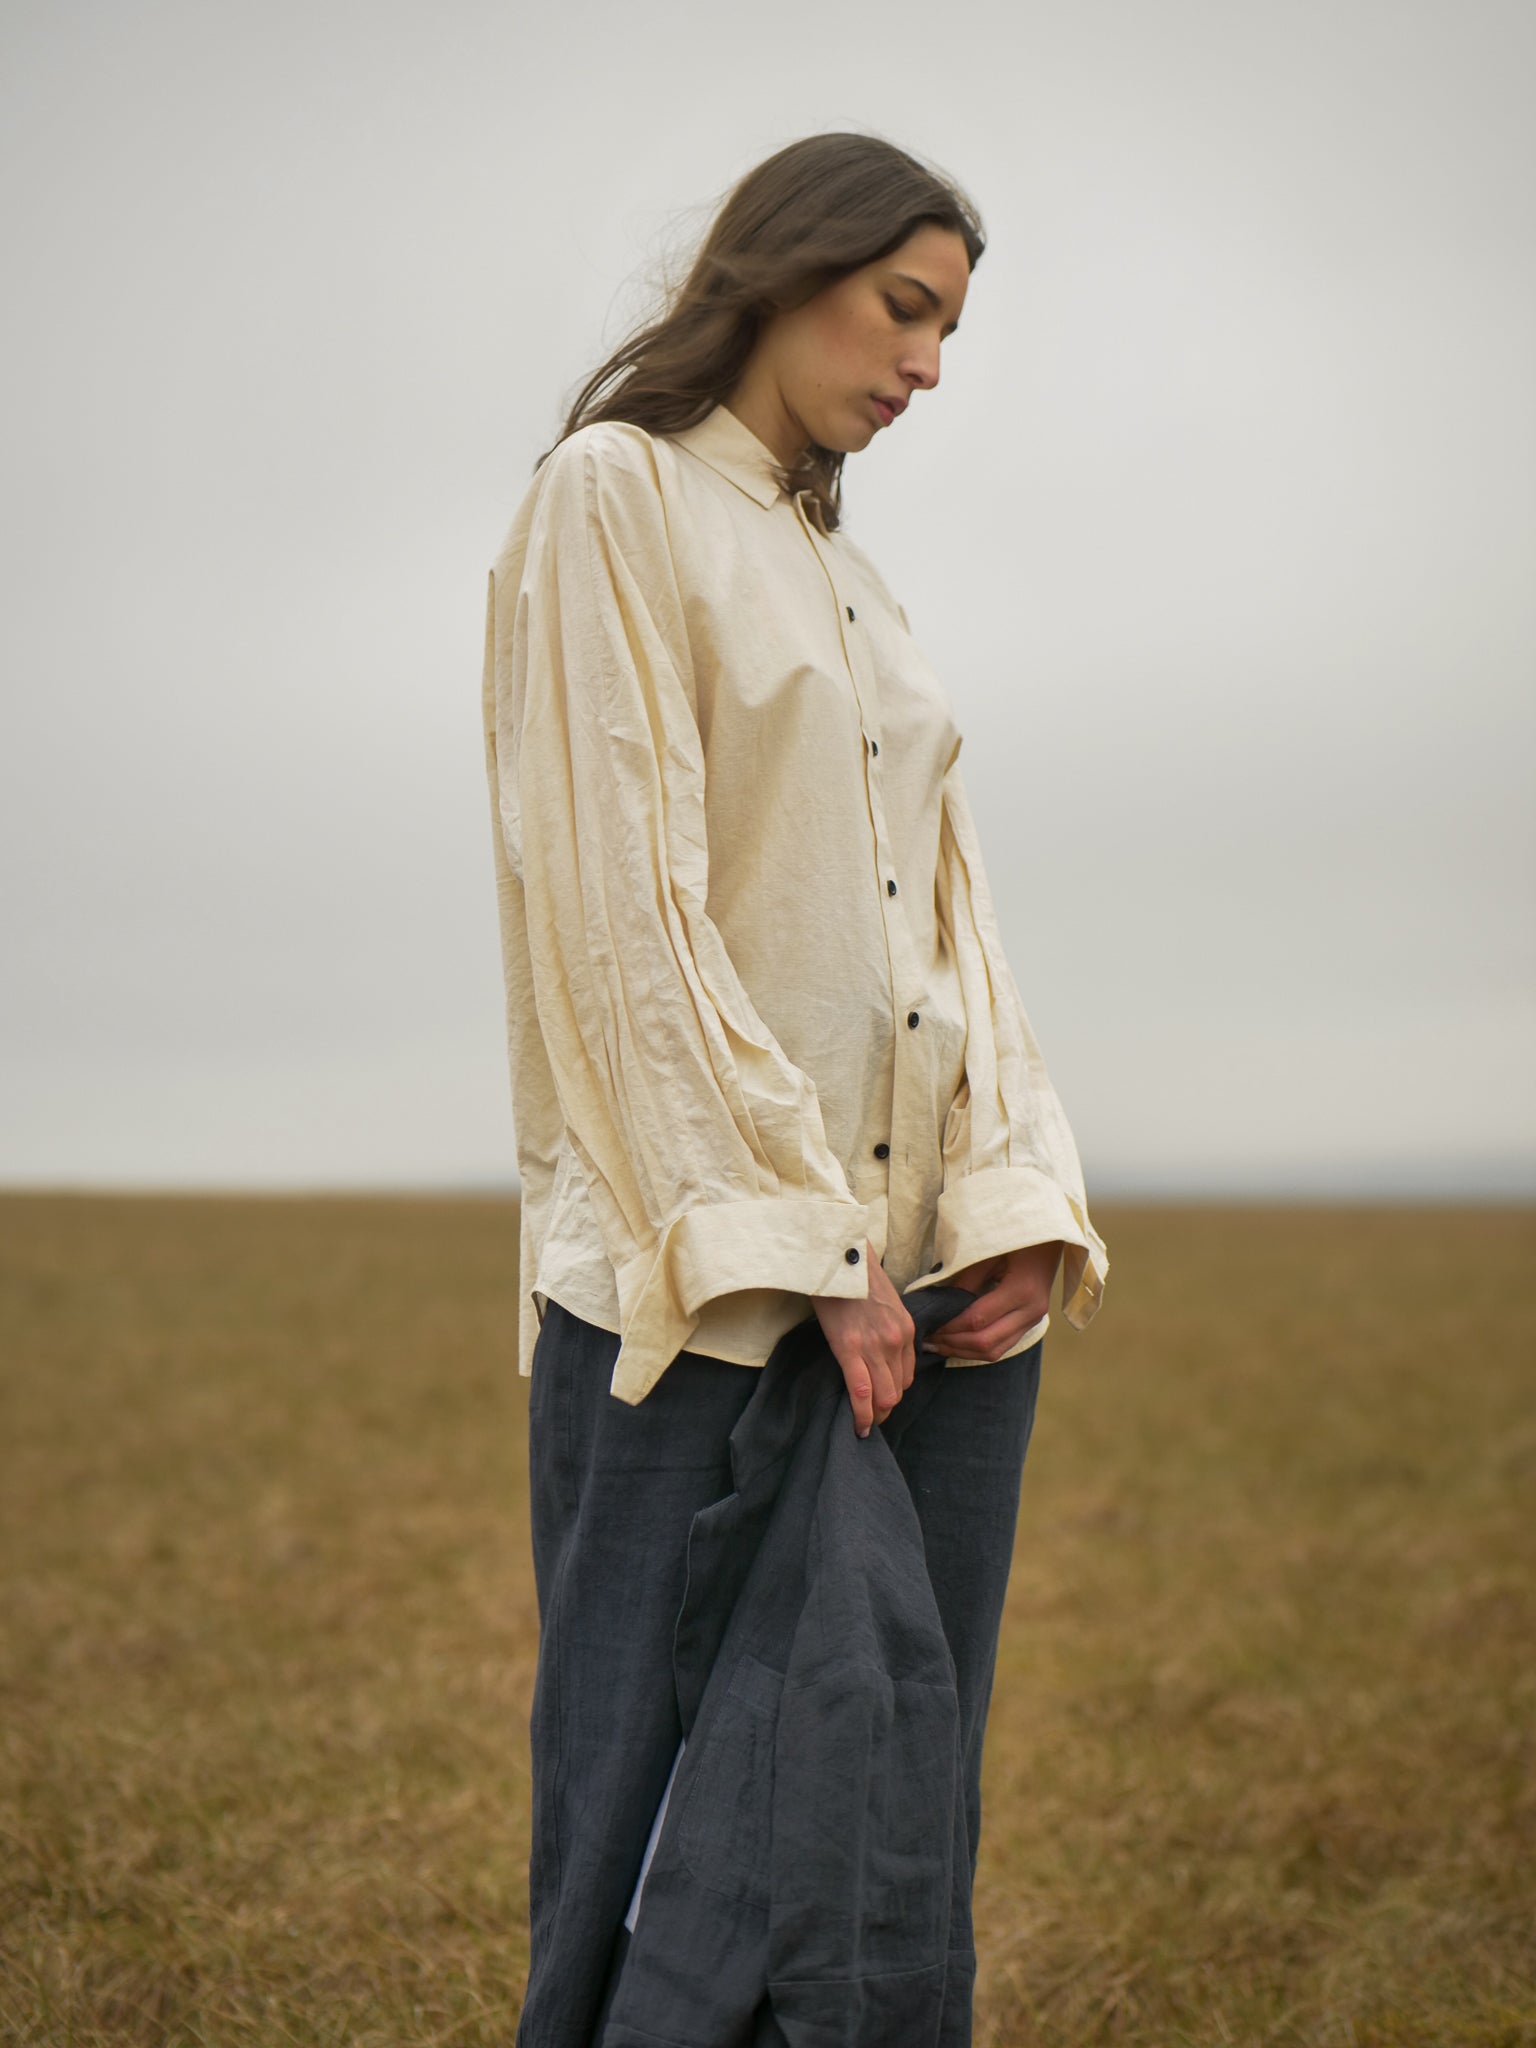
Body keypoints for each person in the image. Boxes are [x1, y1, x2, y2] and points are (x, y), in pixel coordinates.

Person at [480, 130, 1108, 2047]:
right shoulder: (616, 496)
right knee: (659, 1836)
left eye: (952, 333)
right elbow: (623, 919)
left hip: (927, 1300)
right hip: (709, 1293)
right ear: (785, 267)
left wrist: (1019, 1205)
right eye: (906, 309)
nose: (927, 366)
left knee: (888, 1825)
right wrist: (805, 1247)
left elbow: (952, 926)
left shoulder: (851, 575)